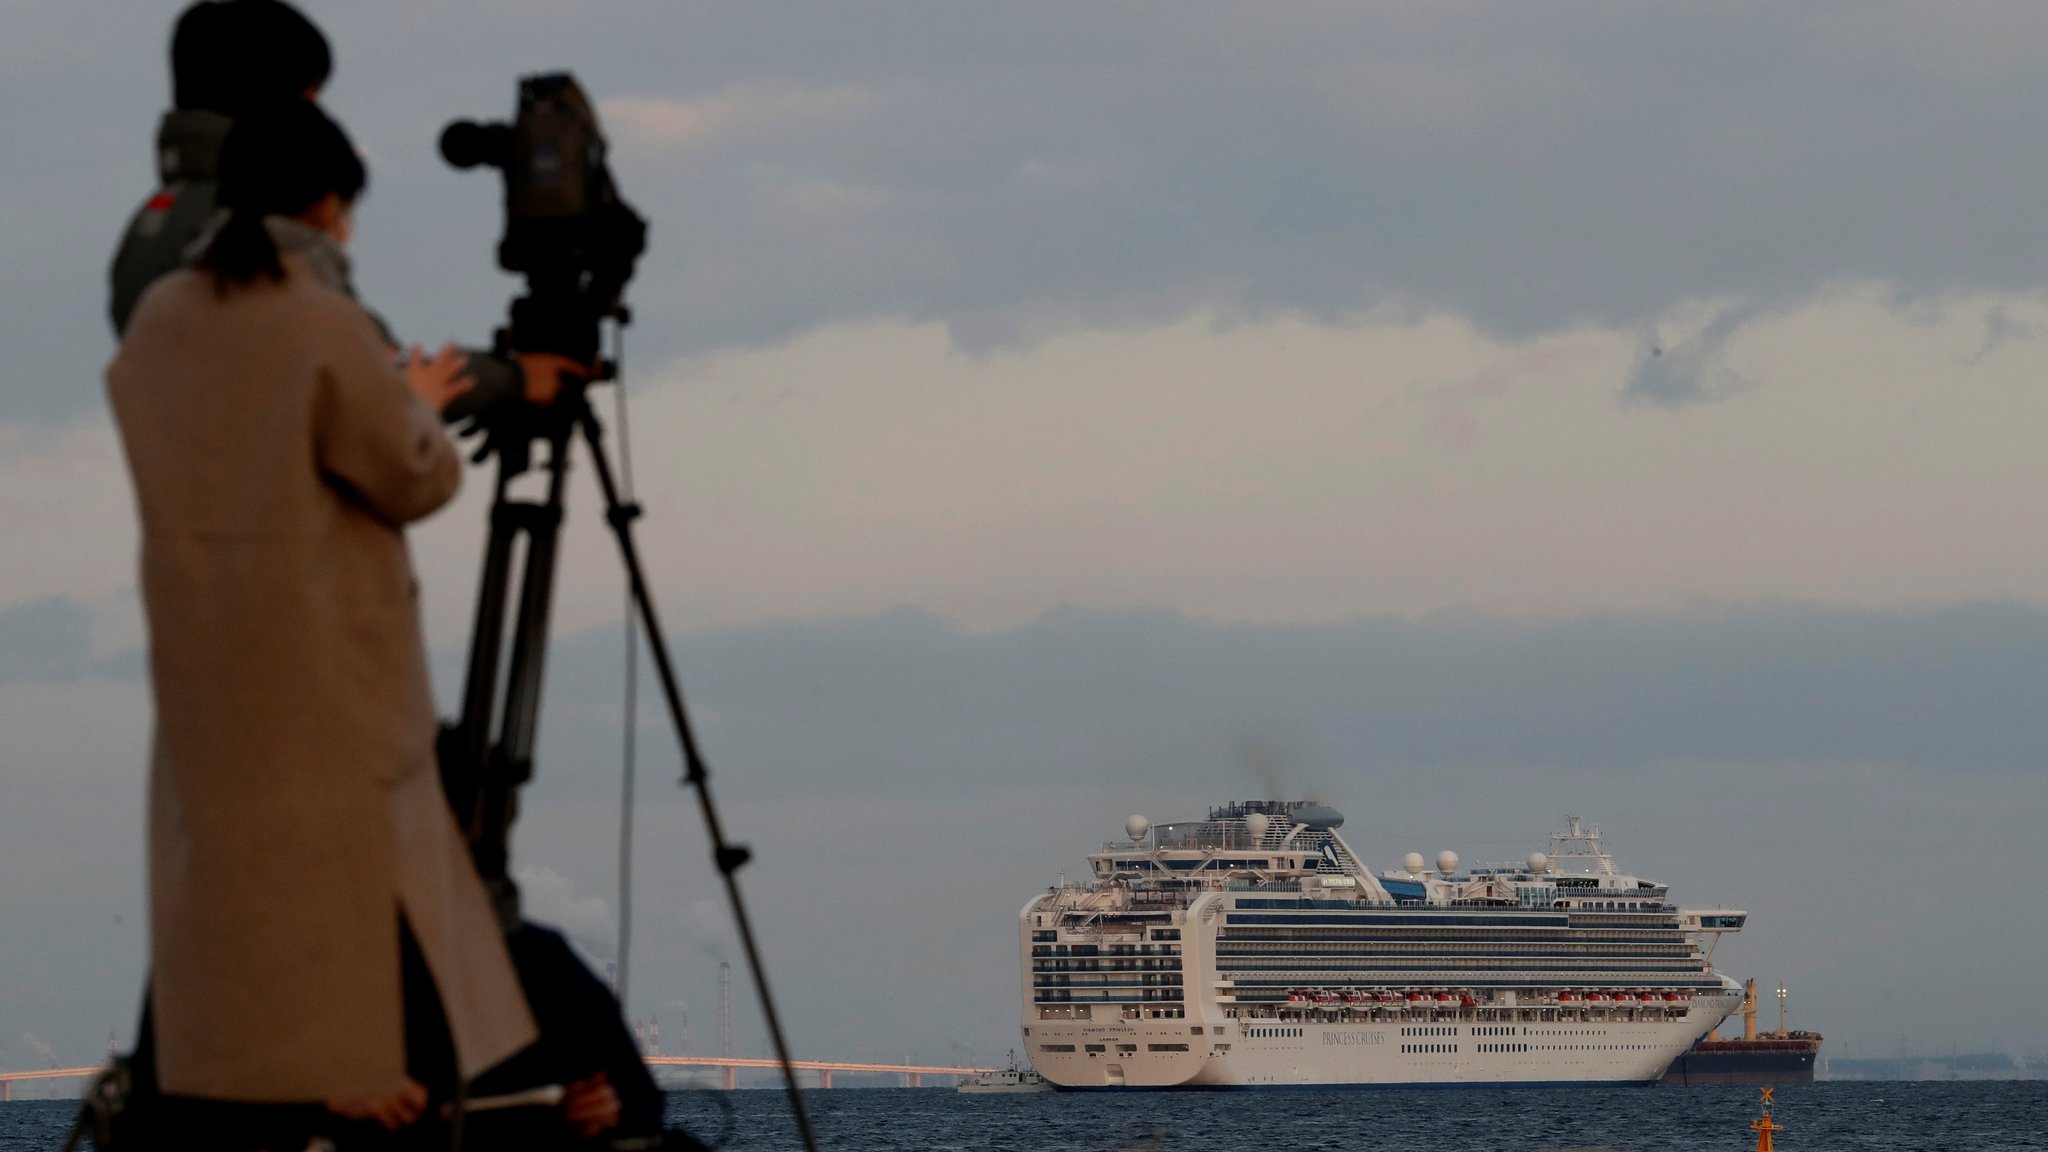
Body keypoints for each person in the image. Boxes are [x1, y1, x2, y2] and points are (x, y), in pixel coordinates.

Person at [106, 102, 537, 1146]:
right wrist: (423, 395)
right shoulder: (321, 319)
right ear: (332, 206)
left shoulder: (163, 315)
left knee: (233, 930)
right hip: (330, 681)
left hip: (207, 682)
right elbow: (413, 475)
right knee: (368, 940)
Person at [109, 0, 331, 336]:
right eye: (309, 97)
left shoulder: (155, 218)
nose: (320, 117)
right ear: (270, 99)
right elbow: (346, 353)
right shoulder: (264, 222)